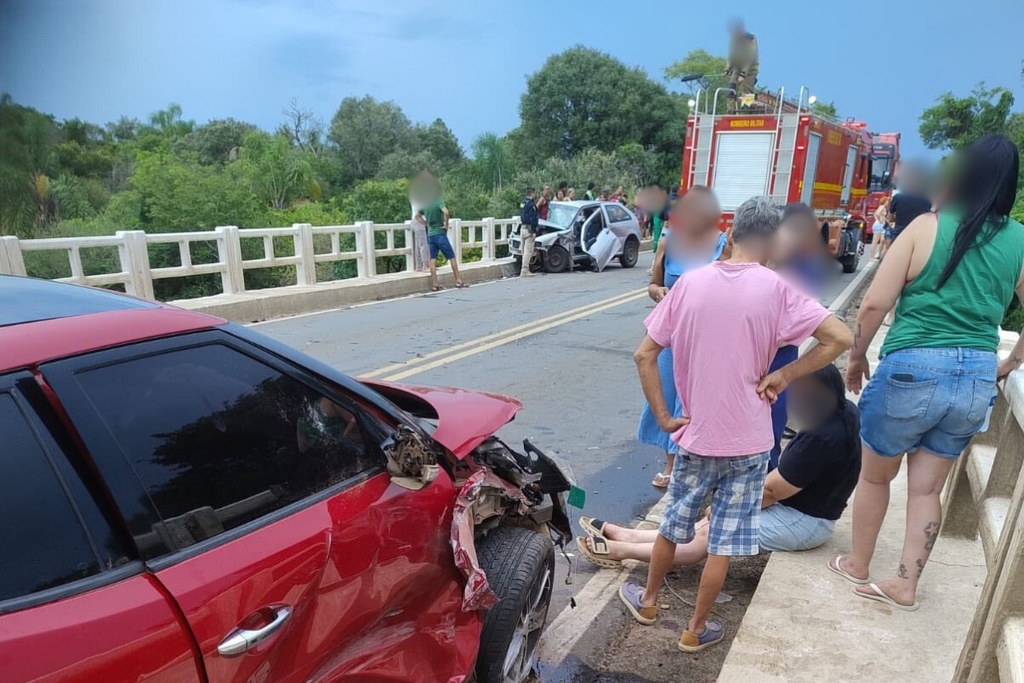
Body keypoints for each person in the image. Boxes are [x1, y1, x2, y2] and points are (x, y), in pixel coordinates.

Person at [620, 196, 852, 653]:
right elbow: (839, 338)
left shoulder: (689, 285)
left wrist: (666, 418)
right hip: (749, 444)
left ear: (732, 232)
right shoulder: (777, 290)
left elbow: (644, 354)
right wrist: (784, 375)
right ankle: (695, 630)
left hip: (696, 435)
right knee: (722, 543)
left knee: (672, 526)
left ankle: (647, 603)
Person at [834, 135, 1024, 611]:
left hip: (913, 366)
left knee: (876, 477)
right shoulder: (1019, 239)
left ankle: (858, 563)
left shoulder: (925, 227)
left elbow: (876, 301)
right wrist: (1010, 363)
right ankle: (905, 584)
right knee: (927, 488)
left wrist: (856, 358)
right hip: (977, 375)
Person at [580, 364, 862, 566]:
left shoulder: (821, 437)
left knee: (712, 533)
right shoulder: (841, 409)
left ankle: (622, 551)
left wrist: (729, 506)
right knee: (709, 519)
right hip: (799, 509)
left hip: (805, 522)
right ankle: (630, 536)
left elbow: (773, 492)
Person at [639, 186, 728, 488]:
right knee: (667, 396)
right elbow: (652, 285)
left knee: (695, 400)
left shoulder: (722, 245)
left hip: (707, 336)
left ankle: (691, 466)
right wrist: (659, 292)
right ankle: (670, 463)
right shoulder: (668, 242)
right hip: (669, 334)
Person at [416, 192, 466, 291]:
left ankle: (435, 284)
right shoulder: (438, 201)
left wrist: (426, 223)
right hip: (440, 233)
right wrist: (446, 225)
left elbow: (417, 216)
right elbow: (446, 212)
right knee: (451, 257)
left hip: (431, 235)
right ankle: (458, 280)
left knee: (432, 260)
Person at [725, 19, 759, 113]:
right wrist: (727, 69)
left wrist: (743, 74)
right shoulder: (734, 40)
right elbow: (731, 56)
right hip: (738, 68)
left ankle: (749, 111)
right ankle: (730, 111)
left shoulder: (750, 39)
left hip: (750, 69)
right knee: (731, 87)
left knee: (747, 90)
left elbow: (750, 59)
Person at [519, 186, 539, 278]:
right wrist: (534, 231)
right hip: (529, 229)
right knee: (528, 251)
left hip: (522, 227)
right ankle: (525, 270)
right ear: (532, 194)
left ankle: (523, 269)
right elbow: (533, 218)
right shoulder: (531, 205)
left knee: (523, 250)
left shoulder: (522, 203)